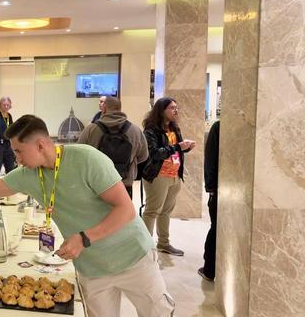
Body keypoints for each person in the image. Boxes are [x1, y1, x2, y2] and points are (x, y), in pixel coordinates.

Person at [0, 115, 174, 316]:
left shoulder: (87, 159)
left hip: (132, 258)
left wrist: (84, 238)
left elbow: (125, 209)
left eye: (19, 152)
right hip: (93, 270)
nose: (16, 159)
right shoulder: (28, 175)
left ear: (40, 144)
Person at [140, 97, 196, 257]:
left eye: (176, 107)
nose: (176, 111)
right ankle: (145, 247)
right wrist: (178, 146)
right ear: (162, 110)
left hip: (174, 175)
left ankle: (163, 243)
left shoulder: (174, 128)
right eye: (172, 108)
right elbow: (154, 153)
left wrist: (185, 147)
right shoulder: (151, 130)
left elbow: (175, 151)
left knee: (166, 211)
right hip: (158, 175)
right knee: (152, 211)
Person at [77, 96, 148, 199]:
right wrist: (130, 161)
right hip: (124, 185)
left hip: (97, 185)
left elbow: (79, 153)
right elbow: (144, 156)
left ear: (104, 108)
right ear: (119, 108)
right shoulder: (135, 130)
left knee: (99, 215)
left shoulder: (91, 129)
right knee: (123, 214)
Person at [199, 120, 220, 282]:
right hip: (219, 190)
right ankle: (209, 269)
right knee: (217, 227)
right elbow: (211, 159)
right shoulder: (219, 127)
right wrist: (211, 187)